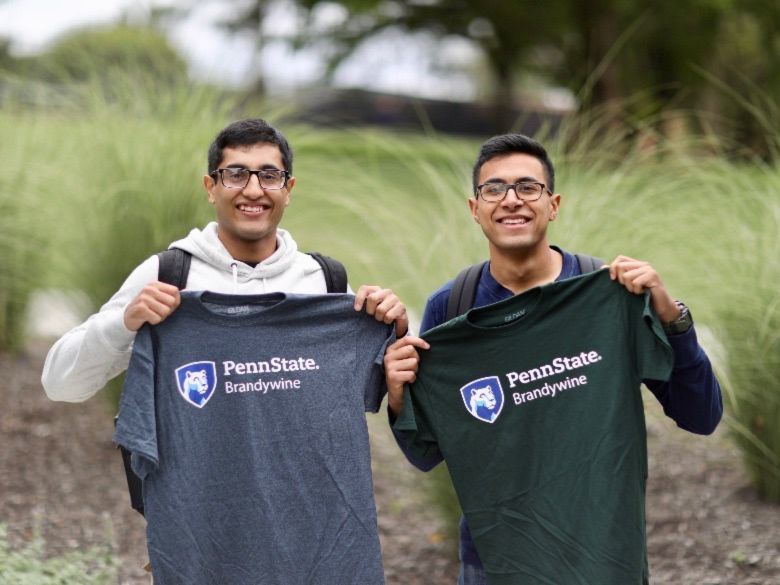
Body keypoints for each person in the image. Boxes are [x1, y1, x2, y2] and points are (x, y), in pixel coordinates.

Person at [41, 118, 409, 584]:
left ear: (288, 188)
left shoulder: (326, 284)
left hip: (314, 553)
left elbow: (378, 392)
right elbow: (60, 383)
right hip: (205, 552)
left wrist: (389, 327)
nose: (252, 189)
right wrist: (125, 321)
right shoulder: (168, 275)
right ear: (211, 187)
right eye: (236, 174)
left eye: (268, 175)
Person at [383, 133, 723, 584]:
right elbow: (426, 451)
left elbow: (701, 415)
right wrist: (399, 395)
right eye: (494, 189)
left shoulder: (609, 294)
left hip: (602, 556)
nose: (511, 201)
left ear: (553, 203)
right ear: (475, 208)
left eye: (528, 187)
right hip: (494, 562)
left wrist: (672, 318)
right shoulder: (452, 306)